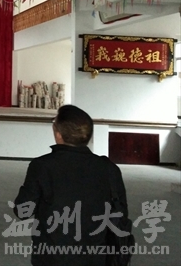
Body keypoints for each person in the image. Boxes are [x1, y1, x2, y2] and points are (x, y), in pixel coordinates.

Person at [13, 105, 129, 266]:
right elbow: (121, 213)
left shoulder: (42, 166)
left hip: (51, 258)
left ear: (58, 134)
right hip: (95, 257)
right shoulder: (109, 169)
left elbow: (22, 211)